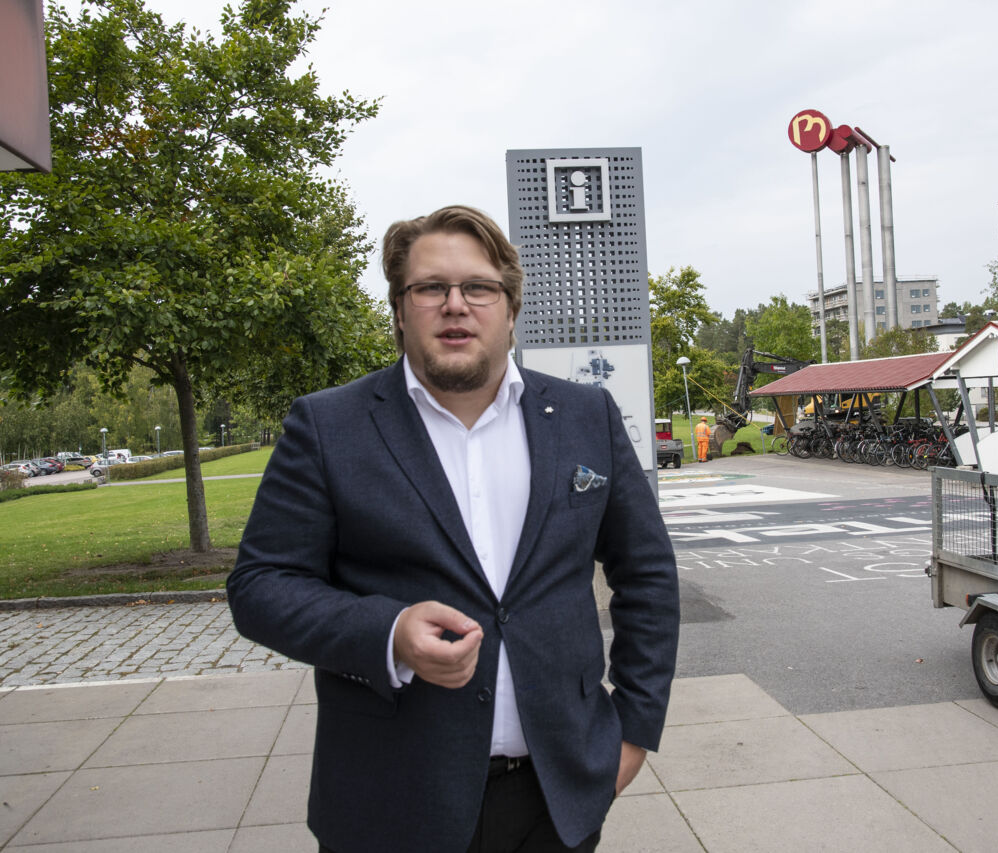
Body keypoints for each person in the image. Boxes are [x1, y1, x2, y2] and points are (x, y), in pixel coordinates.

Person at [227, 205, 680, 853]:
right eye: (430, 287)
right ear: (400, 308)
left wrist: (632, 728)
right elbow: (260, 585)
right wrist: (387, 632)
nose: (455, 304)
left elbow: (648, 573)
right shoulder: (329, 427)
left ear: (510, 307)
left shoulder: (586, 415)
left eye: (478, 288)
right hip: (390, 797)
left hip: (559, 796)